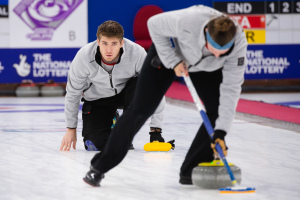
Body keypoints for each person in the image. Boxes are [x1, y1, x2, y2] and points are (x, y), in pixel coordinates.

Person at [83, 5, 247, 186]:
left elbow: (231, 90)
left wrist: (221, 133)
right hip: (168, 55)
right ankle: (98, 168)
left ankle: (190, 171)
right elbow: (153, 24)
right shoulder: (189, 20)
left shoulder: (238, 43)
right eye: (213, 47)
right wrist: (174, 61)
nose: (216, 54)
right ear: (206, 32)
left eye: (222, 53)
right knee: (139, 110)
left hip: (205, 68)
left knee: (216, 112)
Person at [60, 20, 166, 152]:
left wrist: (156, 131)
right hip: (98, 98)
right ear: (98, 42)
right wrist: (71, 128)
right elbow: (73, 93)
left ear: (122, 43)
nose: (109, 50)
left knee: (145, 81)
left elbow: (156, 87)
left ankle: (126, 129)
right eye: (104, 43)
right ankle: (113, 120)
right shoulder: (84, 57)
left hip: (126, 95)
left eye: (114, 44)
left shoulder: (137, 53)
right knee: (96, 145)